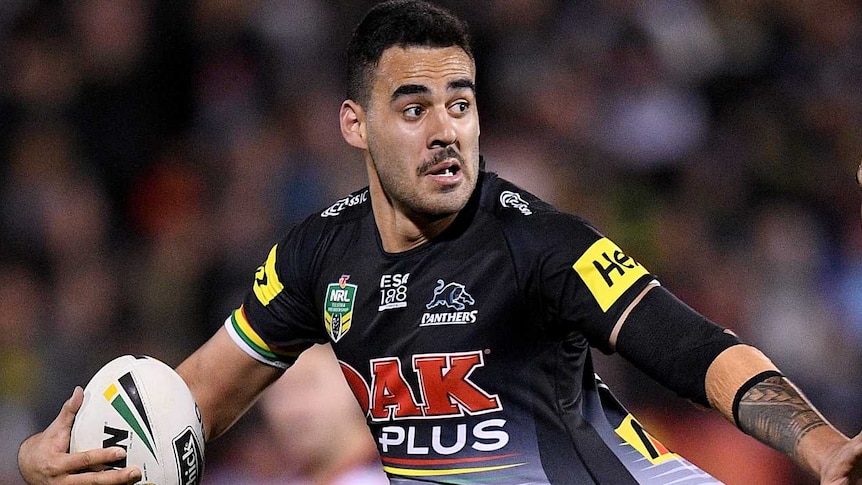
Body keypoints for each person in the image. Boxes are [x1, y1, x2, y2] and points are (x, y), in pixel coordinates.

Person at [17, 1, 862, 483]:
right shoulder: (316, 257)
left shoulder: (539, 243)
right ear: (355, 124)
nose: (447, 129)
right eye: (414, 107)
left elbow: (696, 348)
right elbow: (196, 396)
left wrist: (823, 448)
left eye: (460, 102)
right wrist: (54, 463)